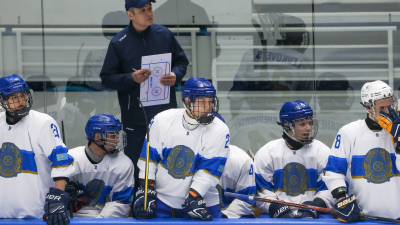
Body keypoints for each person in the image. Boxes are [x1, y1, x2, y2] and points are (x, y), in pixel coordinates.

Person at [99, 0, 189, 191]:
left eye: (150, 9)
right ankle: (136, 206)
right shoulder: (119, 42)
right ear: (130, 15)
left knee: (169, 161)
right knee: (136, 165)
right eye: (143, 10)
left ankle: (169, 202)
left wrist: (176, 75)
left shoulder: (164, 34)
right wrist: (130, 78)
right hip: (136, 119)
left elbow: (181, 62)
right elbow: (107, 78)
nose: (149, 13)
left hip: (166, 115)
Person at [134, 78, 229, 220]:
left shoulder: (220, 129)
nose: (207, 107)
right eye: (202, 102)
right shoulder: (163, 120)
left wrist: (194, 196)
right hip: (163, 201)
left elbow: (209, 170)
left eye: (210, 101)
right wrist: (146, 188)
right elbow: (150, 158)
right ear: (187, 100)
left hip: (202, 202)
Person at [0, 74, 74, 225]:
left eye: (23, 95)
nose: (20, 101)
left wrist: (59, 195)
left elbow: (61, 161)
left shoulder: (43, 122)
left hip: (36, 215)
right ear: (3, 100)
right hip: (3, 214)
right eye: (14, 97)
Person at [323, 80, 400, 222]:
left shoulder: (398, 132)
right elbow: (334, 171)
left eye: (390, 106)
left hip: (397, 218)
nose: (388, 112)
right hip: (361, 218)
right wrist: (342, 198)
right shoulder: (350, 132)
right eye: (382, 108)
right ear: (368, 107)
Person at [255, 100, 334, 219]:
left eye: (310, 123)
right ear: (287, 125)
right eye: (302, 124)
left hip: (314, 214)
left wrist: (315, 205)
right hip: (276, 214)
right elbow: (262, 190)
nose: (308, 128)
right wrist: (275, 207)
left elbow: (330, 187)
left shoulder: (322, 151)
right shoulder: (267, 153)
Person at [66, 114, 134, 218]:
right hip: (74, 219)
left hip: (106, 221)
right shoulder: (71, 159)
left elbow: (119, 204)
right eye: (113, 136)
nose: (118, 140)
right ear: (97, 136)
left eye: (118, 135)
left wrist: (99, 222)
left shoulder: (124, 163)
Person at [203, 114, 256, 219]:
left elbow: (247, 200)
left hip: (232, 218)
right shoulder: (189, 159)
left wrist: (223, 217)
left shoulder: (242, 160)